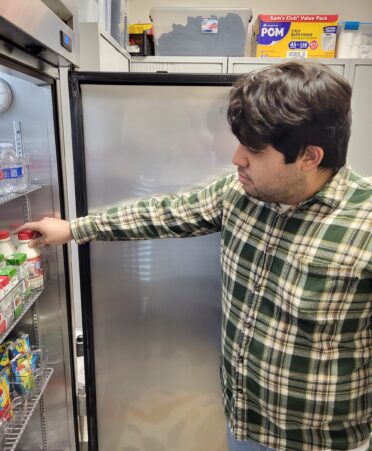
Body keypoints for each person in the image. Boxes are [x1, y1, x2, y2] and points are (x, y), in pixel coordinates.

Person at [17, 60, 371, 451]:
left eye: (253, 149)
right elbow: (167, 212)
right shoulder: (240, 194)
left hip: (322, 443)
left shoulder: (364, 225)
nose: (237, 158)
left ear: (309, 156)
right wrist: (73, 228)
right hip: (243, 424)